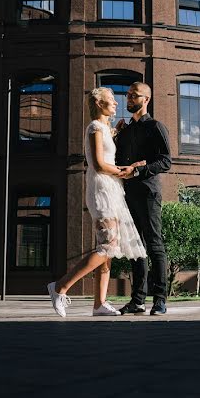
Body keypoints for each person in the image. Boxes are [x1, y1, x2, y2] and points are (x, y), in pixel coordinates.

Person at [46, 87, 147, 317]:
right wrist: (126, 171)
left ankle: (99, 304)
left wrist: (115, 133)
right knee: (107, 246)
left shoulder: (103, 129)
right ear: (100, 104)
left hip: (111, 189)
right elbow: (99, 164)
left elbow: (105, 151)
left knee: (108, 250)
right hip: (102, 190)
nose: (116, 104)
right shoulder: (94, 127)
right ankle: (60, 287)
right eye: (112, 101)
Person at [114, 82, 172, 316]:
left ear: (146, 99)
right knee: (135, 247)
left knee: (154, 245)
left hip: (148, 192)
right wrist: (115, 135)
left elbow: (166, 161)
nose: (129, 99)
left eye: (134, 95)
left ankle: (160, 300)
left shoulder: (156, 126)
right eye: (127, 95)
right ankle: (137, 301)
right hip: (127, 194)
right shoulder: (125, 130)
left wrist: (140, 169)